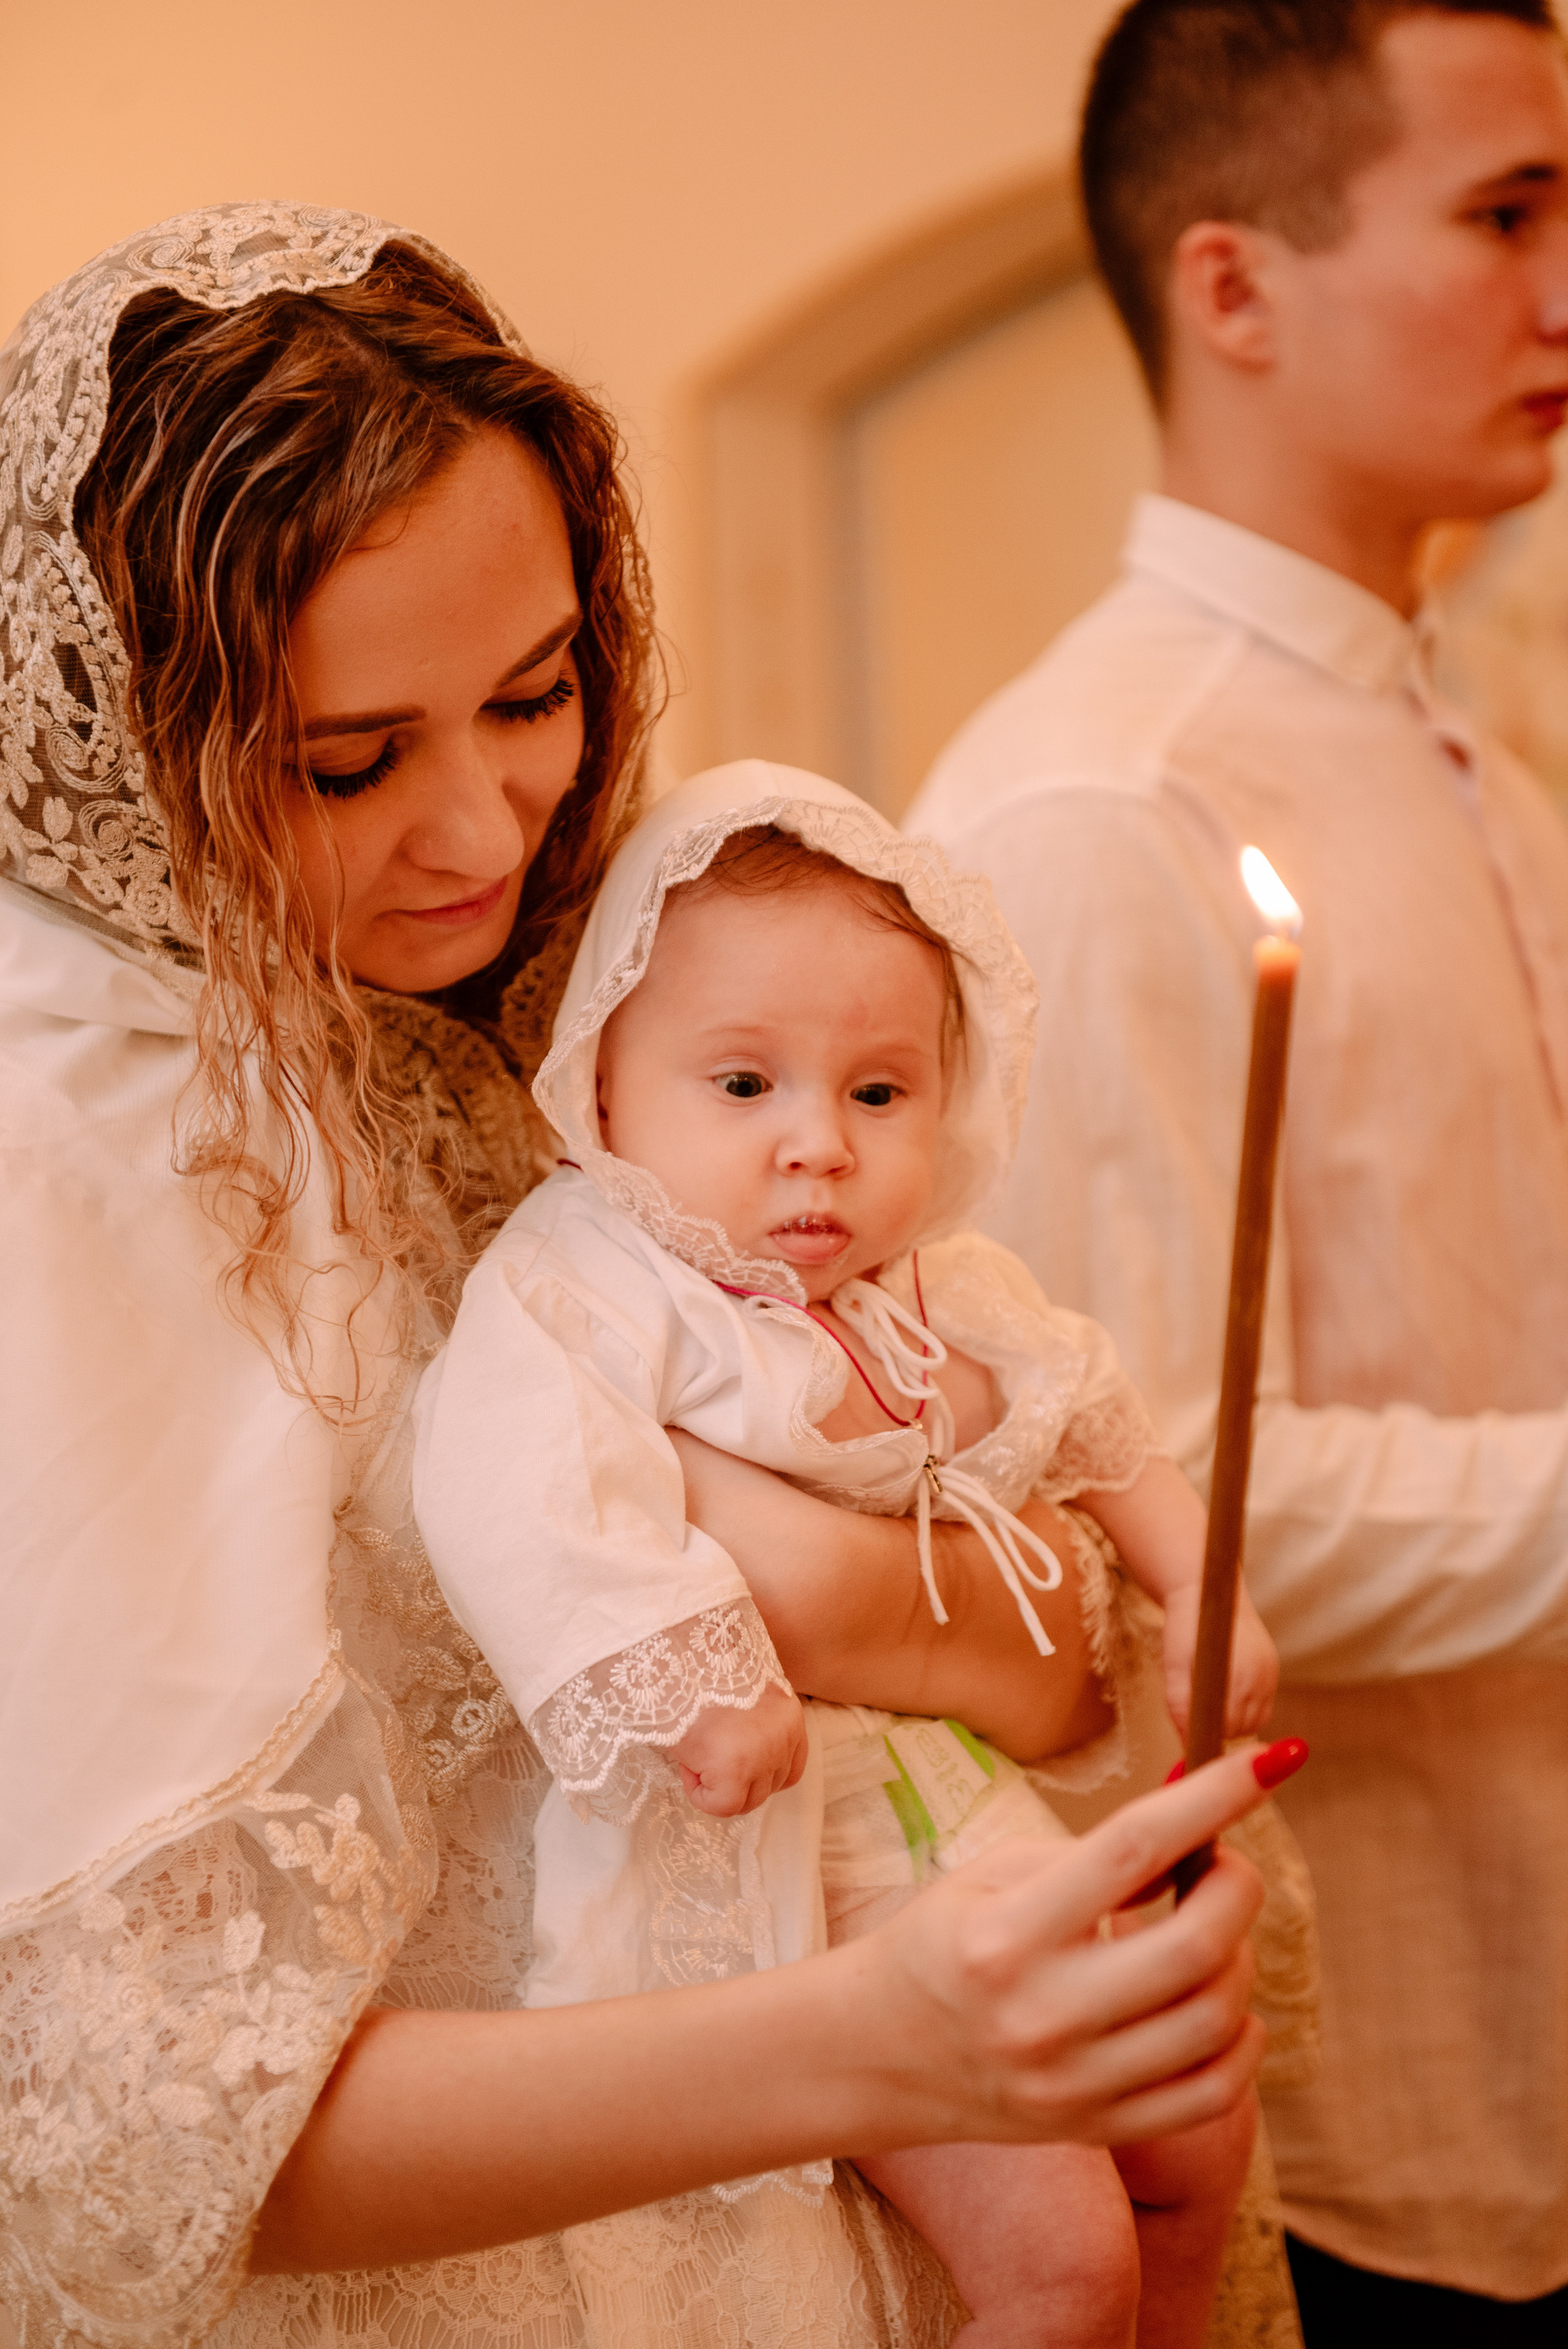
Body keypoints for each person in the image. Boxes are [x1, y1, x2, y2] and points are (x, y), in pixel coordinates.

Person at [0, 202, 1277, 2349]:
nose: (491, 828)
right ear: (127, 734)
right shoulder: (80, 1143)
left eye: (537, 691)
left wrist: (918, 1625)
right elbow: (116, 2139)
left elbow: (1044, 1600)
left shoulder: (603, 997)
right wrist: (880, 2038)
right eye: (344, 761)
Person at [907, 0, 1568, 2334]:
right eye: (1506, 213)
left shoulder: (1459, 736)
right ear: (1233, 286)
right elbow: (1119, 1504)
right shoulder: (1102, 806)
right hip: (1345, 2094)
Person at [412, 765, 1287, 2349]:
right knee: (1061, 2261)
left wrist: (1185, 1582)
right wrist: (686, 1668)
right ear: (604, 1081)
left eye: (877, 1094)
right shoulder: (593, 1280)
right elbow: (520, 1481)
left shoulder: (937, 1282)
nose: (818, 1146)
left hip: (962, 1806)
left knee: (1195, 2140)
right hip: (817, 1876)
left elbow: (1083, 1400)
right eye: (745, 1085)